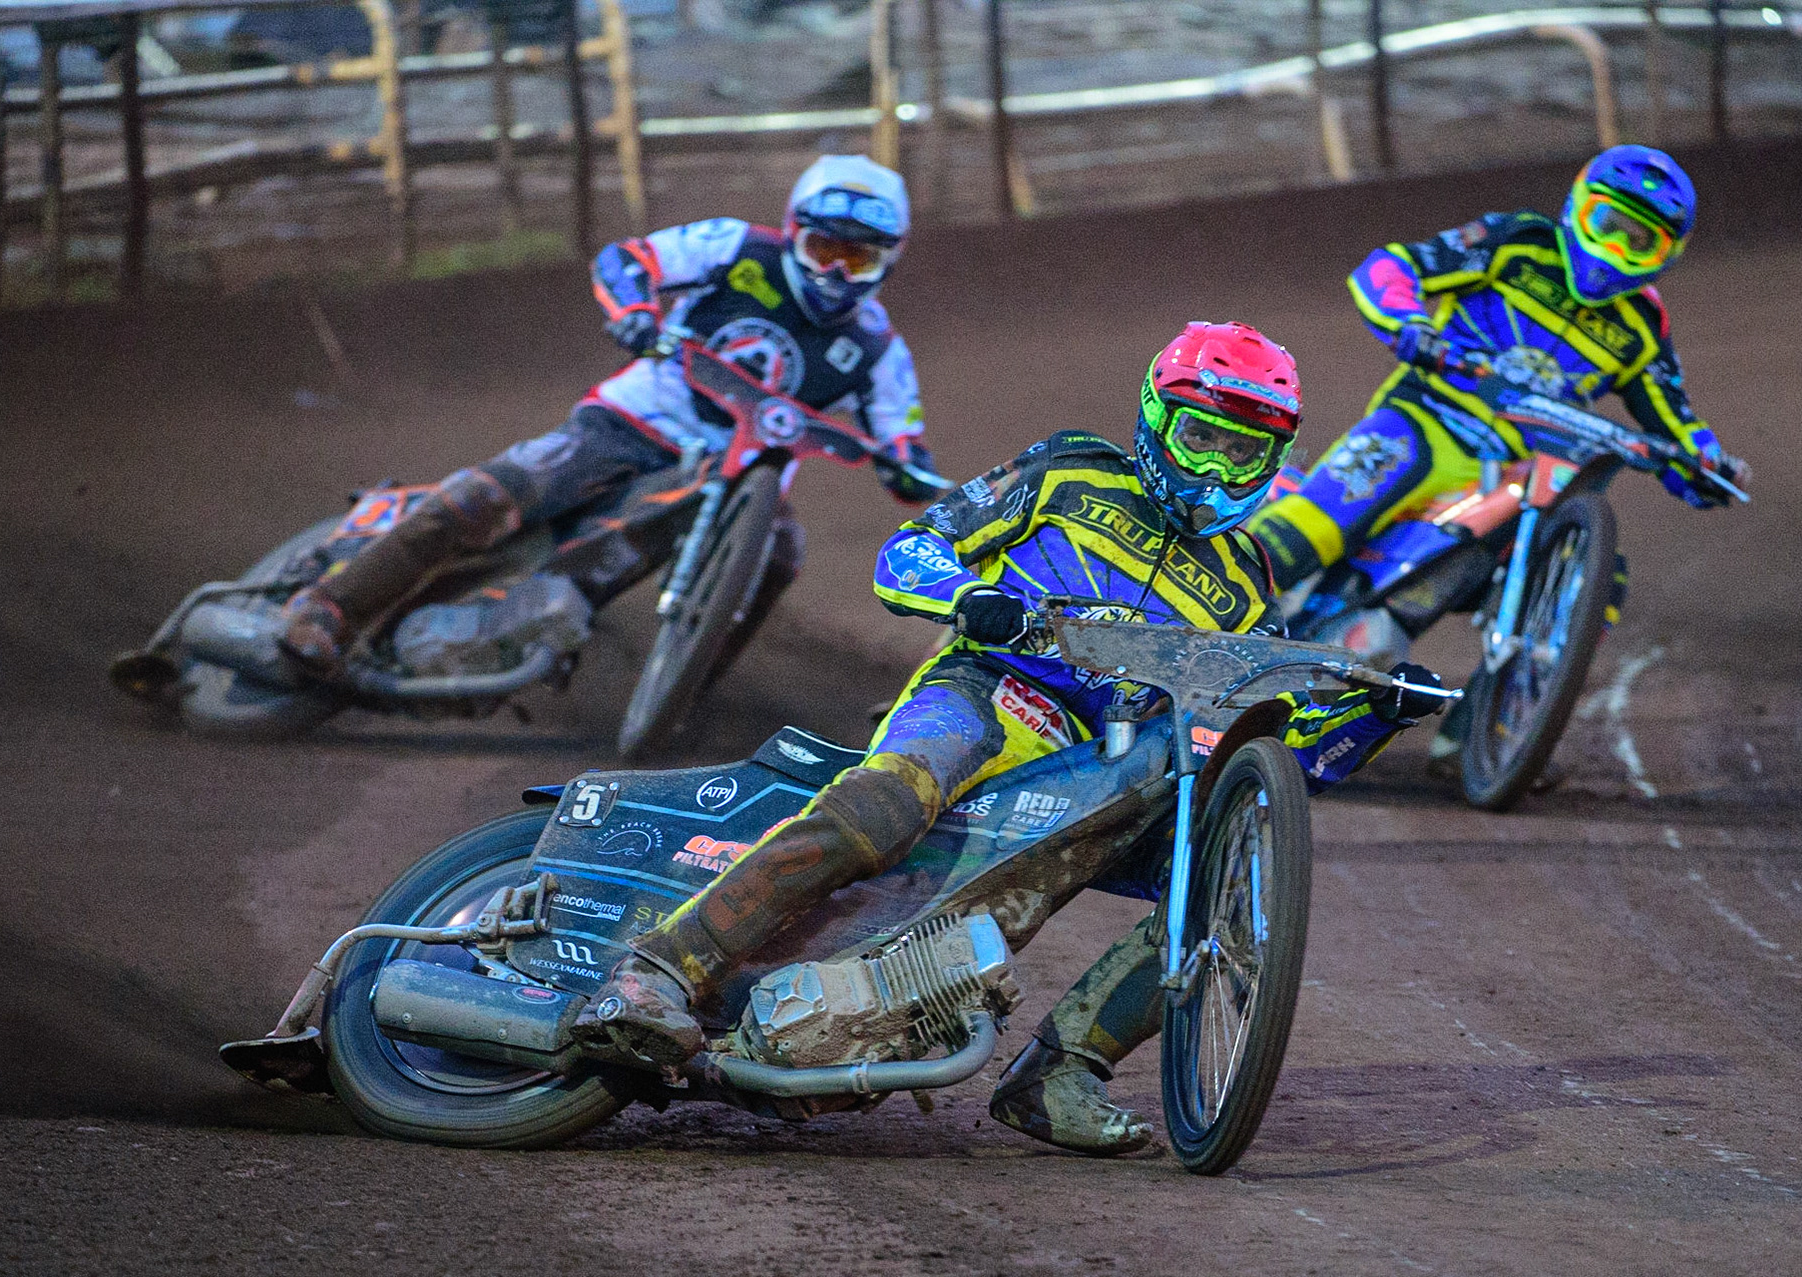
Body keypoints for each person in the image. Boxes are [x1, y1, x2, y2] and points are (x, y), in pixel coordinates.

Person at [572, 323, 1450, 1158]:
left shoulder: (1249, 588)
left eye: (1243, 450)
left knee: (1213, 888)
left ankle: (1057, 1072)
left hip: (1099, 766)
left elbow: (1273, 768)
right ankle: (657, 968)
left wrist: (1377, 714)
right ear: (1155, 419)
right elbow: (911, 549)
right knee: (892, 801)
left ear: (1274, 460)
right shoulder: (1069, 471)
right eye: (1200, 437)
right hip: (986, 692)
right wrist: (967, 599)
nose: (1217, 466)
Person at [280, 155, 942, 675]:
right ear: (795, 234)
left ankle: (689, 697)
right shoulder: (736, 246)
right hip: (634, 421)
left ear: (889, 260)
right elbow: (629, 259)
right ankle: (330, 606)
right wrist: (634, 310)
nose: (836, 272)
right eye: (826, 250)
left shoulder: (881, 349)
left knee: (779, 553)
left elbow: (903, 441)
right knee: (487, 496)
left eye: (857, 258)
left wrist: (914, 472)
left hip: (735, 477)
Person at [1248, 144, 1748, 602]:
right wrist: (1410, 324)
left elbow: (1676, 421)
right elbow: (1390, 268)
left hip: (1525, 472)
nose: (1616, 247)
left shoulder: (1642, 326)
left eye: (1638, 241)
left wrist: (1712, 467)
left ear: (1665, 257)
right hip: (1426, 418)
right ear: (1578, 207)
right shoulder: (1516, 242)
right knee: (1312, 525)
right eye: (1608, 223)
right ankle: (1199, 611)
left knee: (1598, 579)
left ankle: (1510, 691)